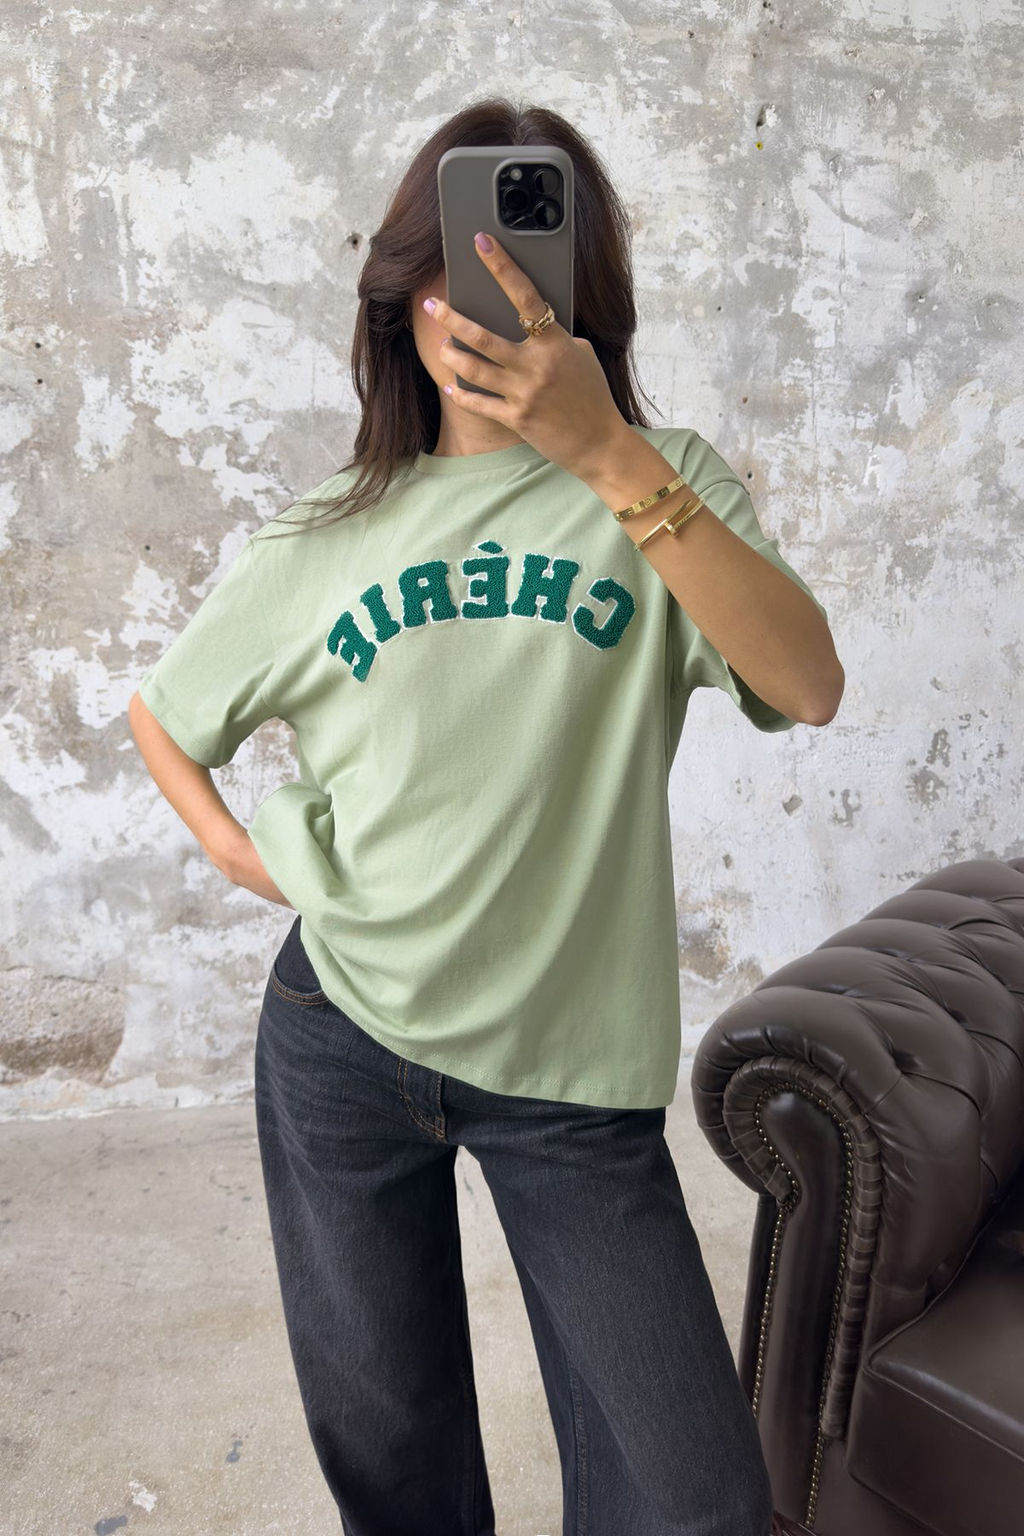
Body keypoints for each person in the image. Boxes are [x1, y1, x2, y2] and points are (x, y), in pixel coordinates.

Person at [129, 97, 841, 1536]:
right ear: (406, 298)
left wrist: (610, 459)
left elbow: (807, 685)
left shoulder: (666, 485)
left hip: (569, 1069)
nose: (491, 303)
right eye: (459, 268)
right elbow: (167, 713)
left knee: (693, 1505)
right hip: (343, 1035)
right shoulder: (329, 531)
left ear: (584, 295)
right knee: (394, 1461)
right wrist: (235, 851)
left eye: (530, 266)